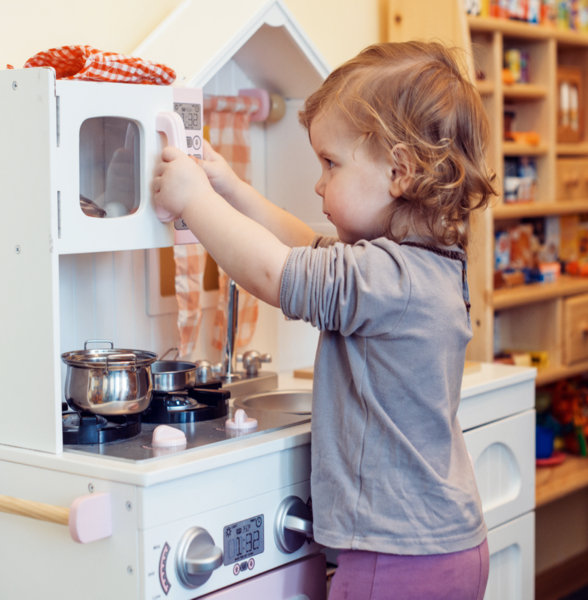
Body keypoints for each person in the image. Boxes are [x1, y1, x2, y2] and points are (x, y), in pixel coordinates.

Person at [153, 40, 496, 600]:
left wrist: (194, 200)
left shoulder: (387, 279)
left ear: (399, 171)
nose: (318, 183)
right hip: (448, 544)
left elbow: (273, 272)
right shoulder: (421, 268)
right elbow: (305, 249)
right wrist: (231, 190)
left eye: (330, 163)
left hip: (397, 555)